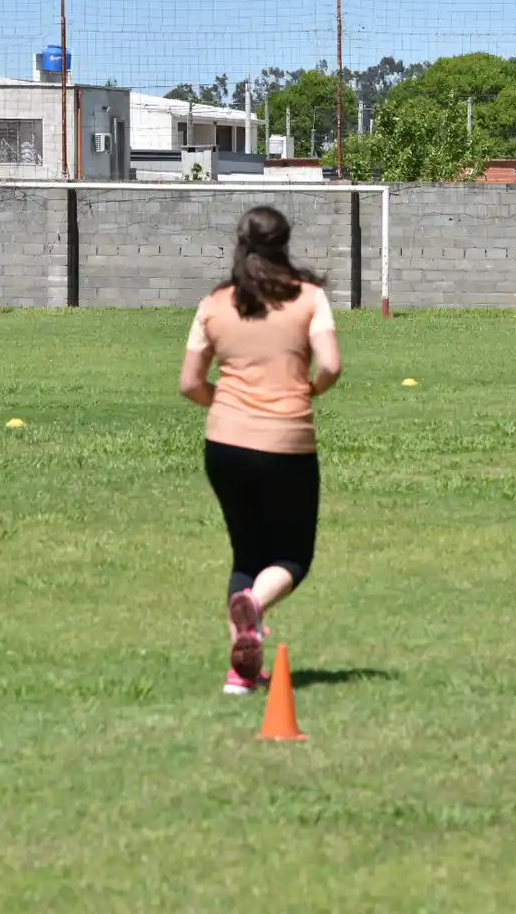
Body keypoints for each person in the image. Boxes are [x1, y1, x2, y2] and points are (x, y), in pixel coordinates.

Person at [178, 205, 342, 695]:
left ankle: (241, 673)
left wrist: (224, 403)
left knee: (247, 552)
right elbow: (331, 365)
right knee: (292, 556)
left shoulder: (214, 304)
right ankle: (252, 603)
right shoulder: (309, 298)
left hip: (223, 444)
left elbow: (189, 383)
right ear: (285, 243)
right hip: (286, 440)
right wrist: (309, 390)